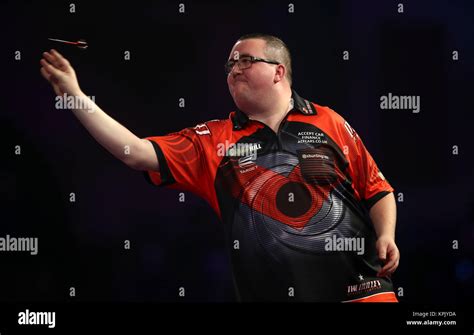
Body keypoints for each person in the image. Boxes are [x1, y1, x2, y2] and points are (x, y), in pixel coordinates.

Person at [40, 33, 400, 302]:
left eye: (245, 60)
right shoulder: (213, 140)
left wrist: (386, 235)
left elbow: (377, 189)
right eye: (230, 63)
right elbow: (133, 152)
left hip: (364, 293)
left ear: (279, 72)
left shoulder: (330, 122)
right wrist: (74, 95)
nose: (234, 68)